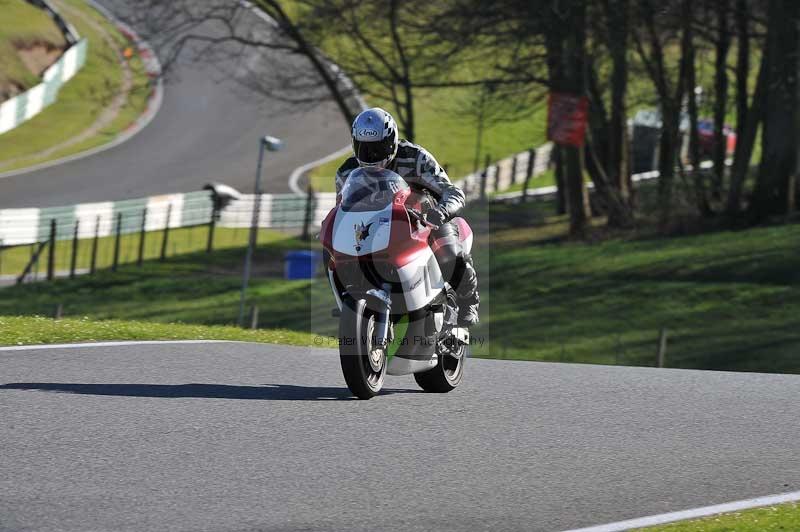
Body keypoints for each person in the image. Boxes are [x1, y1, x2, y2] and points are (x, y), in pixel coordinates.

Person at [335, 107, 479, 327]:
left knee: (448, 253)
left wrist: (441, 212)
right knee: (335, 256)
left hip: (425, 220)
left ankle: (469, 301)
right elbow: (342, 207)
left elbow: (452, 192)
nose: (371, 155)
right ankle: (352, 300)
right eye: (364, 148)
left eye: (378, 148)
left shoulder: (416, 158)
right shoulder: (346, 172)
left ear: (391, 141)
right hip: (376, 226)